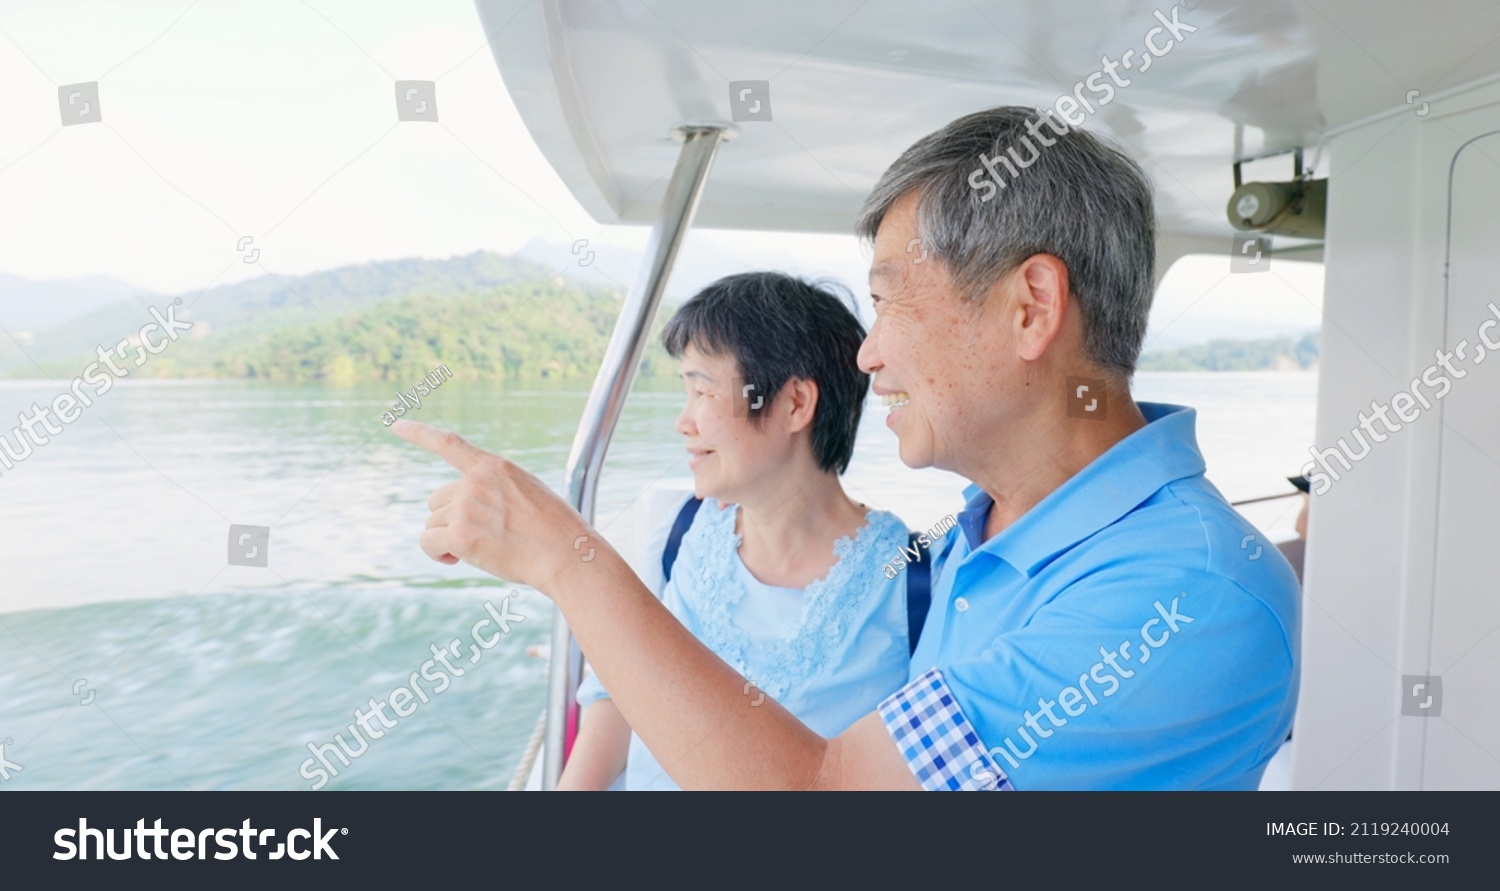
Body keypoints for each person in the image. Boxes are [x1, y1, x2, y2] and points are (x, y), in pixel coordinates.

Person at [393, 105, 1301, 790]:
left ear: (1030, 308)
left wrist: (566, 558)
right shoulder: (980, 539)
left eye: (891, 300)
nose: (868, 354)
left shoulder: (1183, 594)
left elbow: (829, 793)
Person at [556, 272, 913, 790]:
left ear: (795, 404)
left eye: (703, 391)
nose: (684, 422)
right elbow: (617, 693)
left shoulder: (913, 580)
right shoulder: (678, 535)